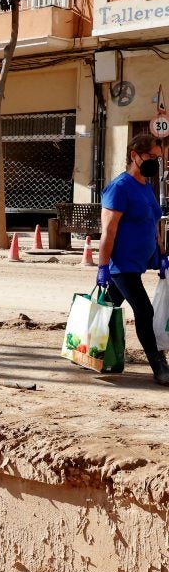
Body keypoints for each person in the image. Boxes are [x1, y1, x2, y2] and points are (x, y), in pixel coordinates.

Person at [97, 133, 169, 385]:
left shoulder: (146, 187)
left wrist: (160, 253)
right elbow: (109, 231)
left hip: (139, 262)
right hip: (121, 264)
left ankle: (90, 350)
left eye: (158, 159)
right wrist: (103, 266)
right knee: (144, 310)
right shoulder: (119, 188)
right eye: (151, 156)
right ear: (134, 156)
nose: (155, 162)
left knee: (106, 309)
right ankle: (158, 365)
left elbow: (153, 222)